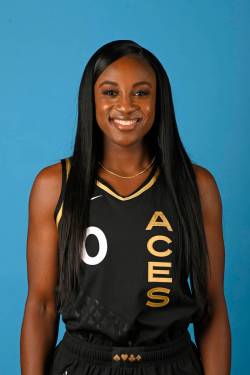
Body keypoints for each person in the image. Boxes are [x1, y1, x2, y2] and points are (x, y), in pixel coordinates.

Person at [20, 40, 231, 375]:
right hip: (83, 364)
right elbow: (42, 305)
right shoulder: (55, 185)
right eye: (110, 92)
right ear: (90, 99)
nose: (126, 105)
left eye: (141, 93)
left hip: (170, 363)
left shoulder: (195, 186)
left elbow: (213, 306)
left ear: (159, 101)